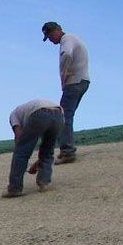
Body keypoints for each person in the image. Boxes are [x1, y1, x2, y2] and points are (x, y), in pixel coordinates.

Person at [42, 21, 90, 164]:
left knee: (63, 117)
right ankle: (67, 149)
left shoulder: (66, 40)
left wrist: (64, 75)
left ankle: (67, 152)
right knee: (67, 116)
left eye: (50, 37)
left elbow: (67, 54)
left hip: (74, 83)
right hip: (83, 81)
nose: (51, 41)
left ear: (55, 31)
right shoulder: (73, 38)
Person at [2, 99, 64, 198]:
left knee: (21, 152)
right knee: (47, 152)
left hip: (39, 113)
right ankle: (44, 182)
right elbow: (44, 151)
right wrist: (36, 165)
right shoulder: (25, 110)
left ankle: (15, 188)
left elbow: (18, 136)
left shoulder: (13, 115)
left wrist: (19, 152)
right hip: (59, 115)